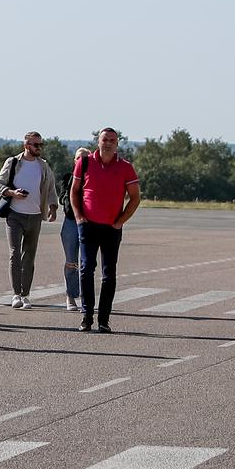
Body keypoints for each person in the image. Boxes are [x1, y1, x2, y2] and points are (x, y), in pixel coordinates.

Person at [71, 128, 141, 334]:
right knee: (86, 269)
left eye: (112, 140)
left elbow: (135, 197)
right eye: (105, 139)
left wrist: (121, 221)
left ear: (117, 143)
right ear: (98, 141)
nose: (108, 143)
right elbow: (74, 192)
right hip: (88, 225)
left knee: (108, 275)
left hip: (111, 228)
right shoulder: (84, 163)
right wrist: (79, 217)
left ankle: (104, 319)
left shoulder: (126, 167)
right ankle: (86, 316)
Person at [0, 132, 59, 308]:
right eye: (36, 145)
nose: (39, 148)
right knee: (15, 254)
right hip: (14, 214)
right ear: (26, 145)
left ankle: (26, 294)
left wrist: (53, 207)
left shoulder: (43, 166)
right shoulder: (13, 162)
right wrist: (12, 193)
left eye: (41, 145)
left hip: (35, 216)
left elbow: (50, 187)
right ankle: (15, 295)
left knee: (29, 256)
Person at [55, 147, 88, 312]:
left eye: (85, 158)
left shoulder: (93, 178)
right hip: (71, 222)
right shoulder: (68, 178)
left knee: (86, 263)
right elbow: (62, 198)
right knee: (71, 262)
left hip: (89, 222)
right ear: (74, 161)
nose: (81, 161)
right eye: (78, 158)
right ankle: (70, 295)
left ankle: (85, 297)